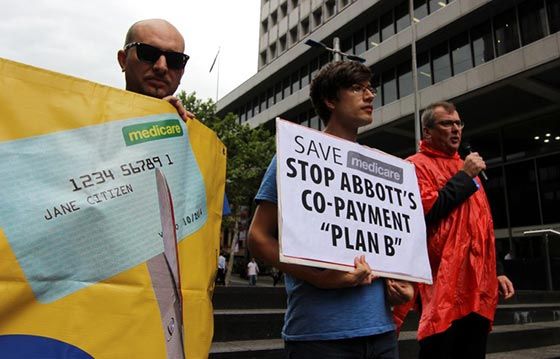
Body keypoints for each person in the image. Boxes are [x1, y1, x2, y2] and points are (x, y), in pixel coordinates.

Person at [248, 61, 409, 359]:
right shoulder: (294, 153)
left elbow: (384, 241)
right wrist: (319, 277)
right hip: (319, 335)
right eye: (357, 88)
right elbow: (257, 238)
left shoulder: (380, 169)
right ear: (330, 100)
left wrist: (401, 283)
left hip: (382, 331)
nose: (370, 95)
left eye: (371, 88)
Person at [396, 101, 515, 359]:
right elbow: (426, 212)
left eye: (458, 123)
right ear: (427, 132)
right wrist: (463, 177)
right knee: (440, 349)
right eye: (447, 123)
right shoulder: (415, 166)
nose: (456, 129)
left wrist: (498, 271)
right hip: (444, 284)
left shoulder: (468, 169)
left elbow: (483, 224)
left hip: (478, 285)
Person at [117, 19, 192, 121]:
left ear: (182, 73)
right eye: (149, 53)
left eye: (174, 59)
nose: (161, 67)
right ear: (123, 60)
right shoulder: (90, 114)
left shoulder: (192, 134)